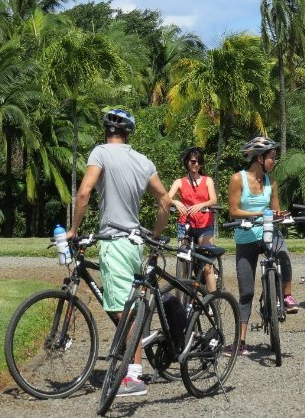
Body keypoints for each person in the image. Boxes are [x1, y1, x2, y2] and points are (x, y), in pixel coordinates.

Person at [66, 108, 171, 396]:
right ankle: (137, 343)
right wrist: (157, 235)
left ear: (106, 131)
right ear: (128, 133)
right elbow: (165, 199)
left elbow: (85, 192)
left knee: (122, 311)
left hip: (114, 243)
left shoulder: (99, 153)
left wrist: (74, 230)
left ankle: (134, 375)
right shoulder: (143, 161)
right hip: (134, 243)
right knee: (127, 307)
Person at [226, 136, 298, 356]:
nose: (273, 161)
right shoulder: (238, 179)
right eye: (271, 157)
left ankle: (286, 296)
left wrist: (281, 215)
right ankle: (241, 341)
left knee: (284, 255)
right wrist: (260, 213)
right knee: (246, 291)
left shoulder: (271, 182)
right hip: (246, 237)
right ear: (259, 158)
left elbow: (275, 212)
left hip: (268, 233)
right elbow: (234, 211)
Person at [168, 146, 219, 292]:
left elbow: (213, 199)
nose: (195, 164)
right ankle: (185, 297)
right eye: (192, 162)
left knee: (207, 266)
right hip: (186, 225)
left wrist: (201, 205)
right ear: (187, 163)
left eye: (198, 162)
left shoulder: (207, 180)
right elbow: (166, 197)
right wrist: (175, 202)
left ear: (201, 163)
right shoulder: (179, 182)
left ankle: (212, 301)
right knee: (183, 262)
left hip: (204, 225)